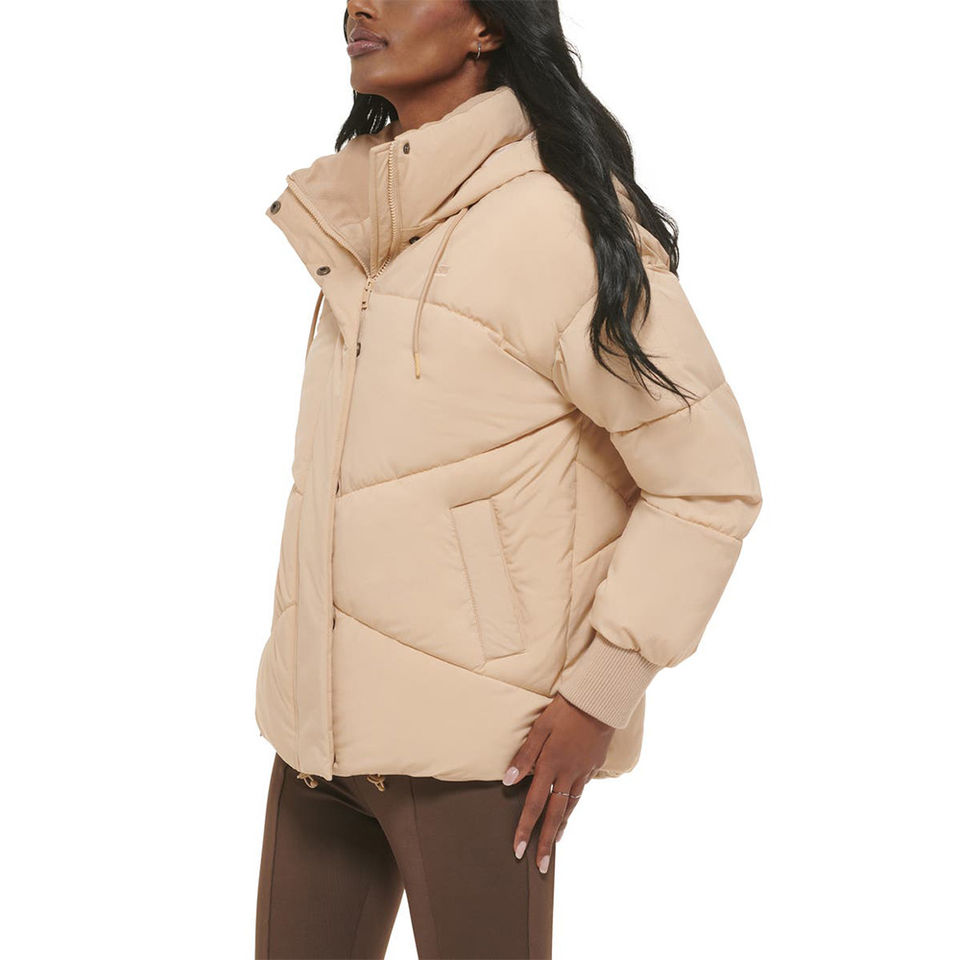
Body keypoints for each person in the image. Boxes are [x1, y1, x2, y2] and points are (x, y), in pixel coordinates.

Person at [254, 2, 763, 957]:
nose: (360, 5)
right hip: (314, 741)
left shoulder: (552, 225)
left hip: (482, 755)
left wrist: (600, 692)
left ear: (489, 26)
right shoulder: (360, 224)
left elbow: (708, 483)